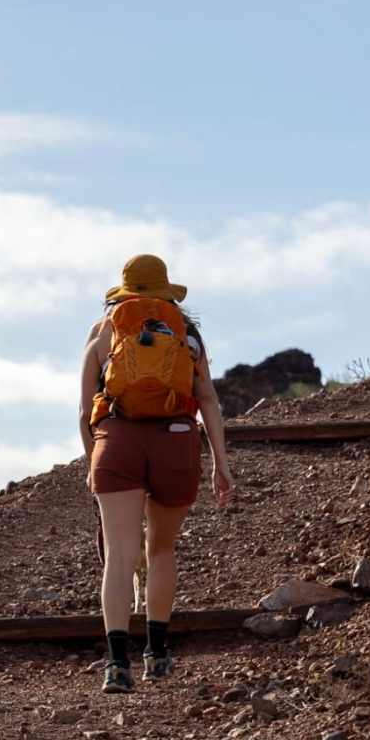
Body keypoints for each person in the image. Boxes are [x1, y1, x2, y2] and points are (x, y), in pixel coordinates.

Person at [79, 253, 236, 694]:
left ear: (124, 290)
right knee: (161, 549)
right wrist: (221, 465)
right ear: (167, 291)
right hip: (176, 441)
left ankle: (117, 664)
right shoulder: (187, 333)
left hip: (117, 443)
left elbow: (84, 412)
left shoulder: (104, 330)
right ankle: (158, 654)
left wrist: (94, 461)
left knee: (120, 555)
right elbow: (208, 399)